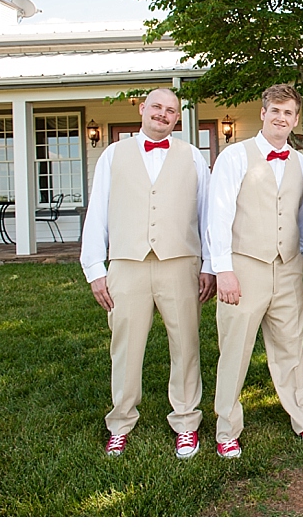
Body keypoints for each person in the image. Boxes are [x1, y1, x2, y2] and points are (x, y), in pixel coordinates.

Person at [81, 88, 216, 459]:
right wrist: (95, 268)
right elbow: (98, 213)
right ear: (142, 109)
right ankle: (121, 421)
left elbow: (206, 216)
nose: (162, 114)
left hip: (181, 262)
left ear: (177, 118)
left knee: (186, 345)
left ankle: (187, 420)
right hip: (127, 263)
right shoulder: (113, 155)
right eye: (156, 107)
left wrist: (209, 265)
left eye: (170, 110)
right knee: (125, 347)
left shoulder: (192, 157)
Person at [206, 84, 303, 459]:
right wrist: (223, 269)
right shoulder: (235, 157)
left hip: (289, 268)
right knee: (235, 349)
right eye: (275, 111)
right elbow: (219, 215)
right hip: (244, 266)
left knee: (291, 348)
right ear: (263, 113)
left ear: (295, 119)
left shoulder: (302, 163)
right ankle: (226, 427)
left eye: (288, 113)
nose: (281, 118)